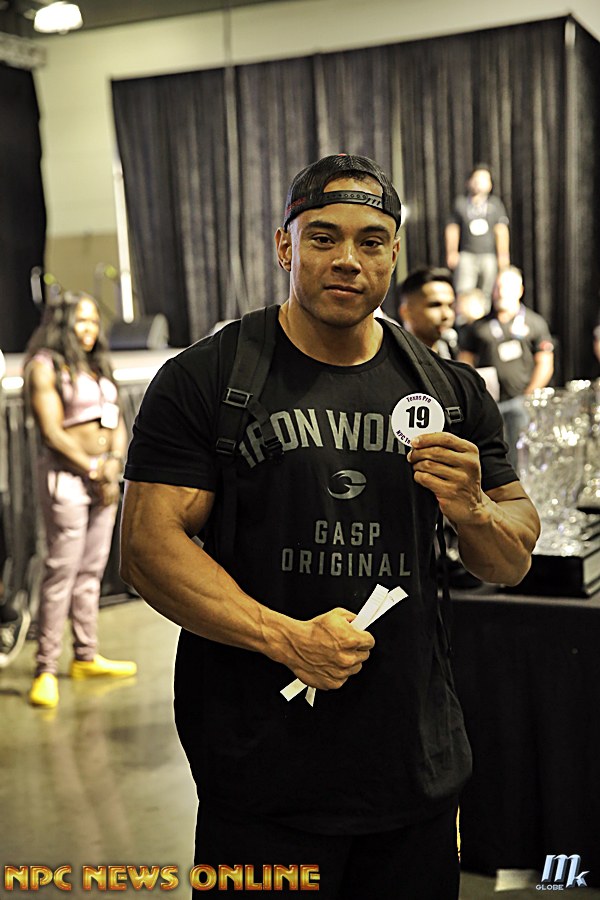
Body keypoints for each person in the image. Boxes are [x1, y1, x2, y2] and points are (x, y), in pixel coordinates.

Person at [120, 154, 540, 900]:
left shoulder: (447, 390)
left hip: (411, 767)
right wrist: (285, 638)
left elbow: (510, 559)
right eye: (323, 237)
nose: (348, 259)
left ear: (394, 253)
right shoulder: (207, 378)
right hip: (260, 776)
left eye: (371, 241)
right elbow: (148, 550)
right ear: (285, 246)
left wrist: (473, 508)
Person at [24, 292, 136, 708]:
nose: (89, 329)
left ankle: (85, 656)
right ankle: (45, 668)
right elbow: (52, 431)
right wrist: (92, 467)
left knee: (90, 573)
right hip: (68, 479)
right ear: (62, 323)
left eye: (93, 321)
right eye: (81, 321)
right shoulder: (45, 366)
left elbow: (117, 419)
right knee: (61, 574)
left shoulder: (97, 364)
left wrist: (113, 463)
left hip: (103, 478)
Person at [458, 266, 554, 469]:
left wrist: (528, 396)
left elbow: (545, 363)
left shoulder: (535, 323)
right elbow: (465, 361)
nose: (501, 292)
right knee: (491, 456)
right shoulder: (479, 326)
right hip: (489, 403)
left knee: (520, 457)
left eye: (507, 287)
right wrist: (476, 392)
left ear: (520, 290)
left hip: (521, 401)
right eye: (497, 287)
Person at [445, 164, 510, 304]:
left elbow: (501, 231)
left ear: (490, 184)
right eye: (476, 179)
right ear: (468, 182)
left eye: (484, 179)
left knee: (487, 293)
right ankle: (463, 316)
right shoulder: (461, 203)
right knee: (463, 292)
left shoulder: (495, 204)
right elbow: (452, 229)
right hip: (467, 255)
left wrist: (503, 256)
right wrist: (452, 252)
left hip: (489, 256)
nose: (479, 183)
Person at [398, 265, 458, 358]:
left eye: (450, 306)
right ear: (406, 312)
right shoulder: (396, 357)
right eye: (435, 305)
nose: (446, 315)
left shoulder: (448, 351)